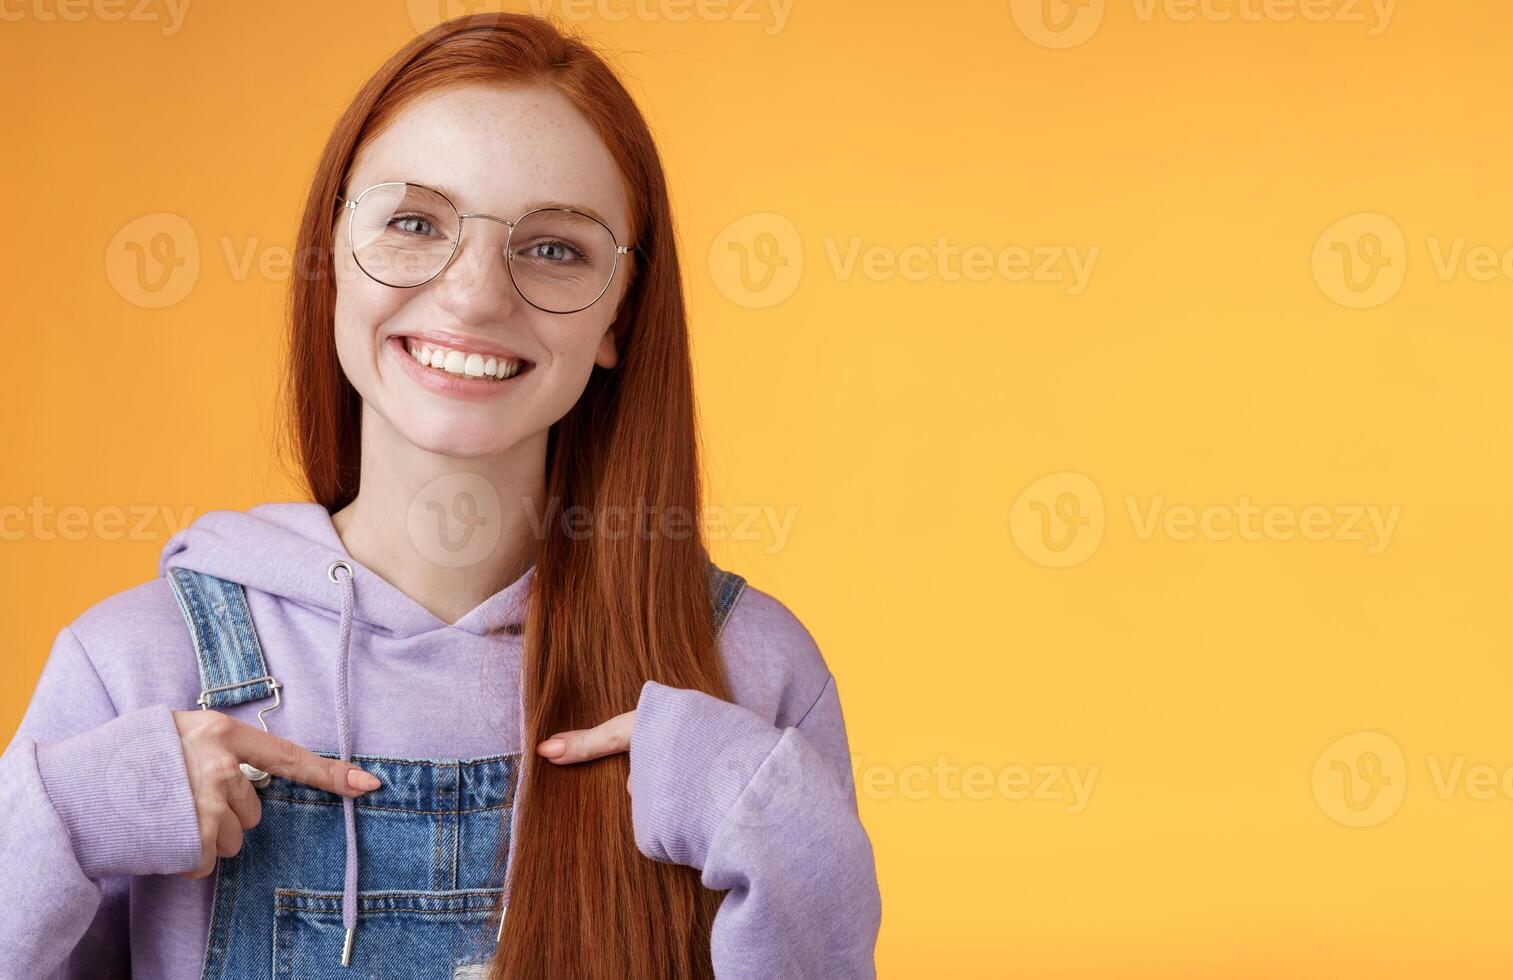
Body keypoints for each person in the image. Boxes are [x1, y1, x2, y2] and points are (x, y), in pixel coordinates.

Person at [0, 13, 879, 978]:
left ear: (619, 317)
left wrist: (785, 838)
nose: (473, 296)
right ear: (331, 254)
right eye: (415, 223)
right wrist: (69, 816)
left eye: (555, 249)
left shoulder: (746, 674)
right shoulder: (131, 668)